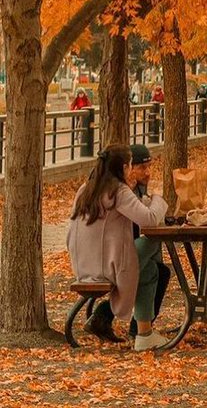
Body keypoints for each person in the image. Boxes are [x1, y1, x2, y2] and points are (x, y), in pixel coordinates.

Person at [67, 143, 168, 351]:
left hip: (83, 265)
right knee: (152, 241)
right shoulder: (118, 191)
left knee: (149, 270)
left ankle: (144, 334)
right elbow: (149, 219)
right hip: (107, 268)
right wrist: (158, 199)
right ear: (123, 167)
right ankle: (142, 333)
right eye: (131, 165)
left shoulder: (86, 189)